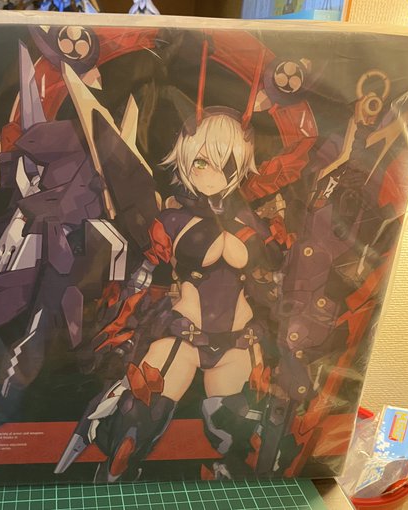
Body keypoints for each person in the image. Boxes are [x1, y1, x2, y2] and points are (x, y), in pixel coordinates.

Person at [60, 107, 288, 482]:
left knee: (238, 434)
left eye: (225, 165)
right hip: (183, 337)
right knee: (135, 429)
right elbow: (190, 251)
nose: (212, 174)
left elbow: (272, 257)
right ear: (185, 158)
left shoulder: (244, 216)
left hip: (238, 342)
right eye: (202, 162)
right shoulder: (173, 217)